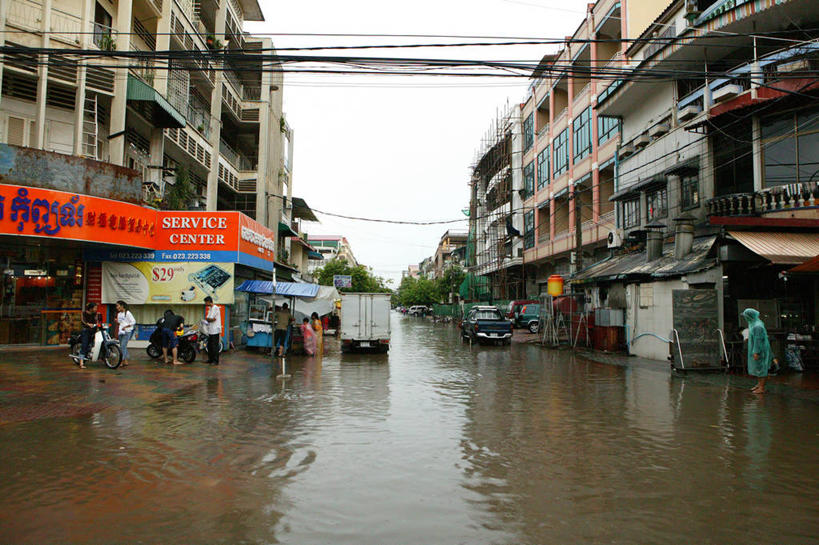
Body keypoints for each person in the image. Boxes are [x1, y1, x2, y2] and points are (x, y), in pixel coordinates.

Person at [742, 308, 772, 394]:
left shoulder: (757, 326)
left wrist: (756, 351)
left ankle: (761, 387)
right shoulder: (754, 324)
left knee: (761, 368)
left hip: (760, 350)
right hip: (758, 348)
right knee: (758, 368)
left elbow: (758, 340)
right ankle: (759, 384)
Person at [115, 300, 135, 368]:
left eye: (118, 305)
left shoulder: (128, 313)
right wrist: (117, 321)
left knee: (123, 346)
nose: (117, 307)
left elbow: (133, 322)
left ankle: (121, 361)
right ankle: (125, 360)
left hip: (127, 331)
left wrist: (126, 327)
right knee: (122, 346)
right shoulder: (119, 314)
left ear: (122, 306)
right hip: (121, 331)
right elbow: (120, 322)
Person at [79, 302, 98, 368]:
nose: (96, 309)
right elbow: (83, 320)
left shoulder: (95, 314)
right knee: (84, 345)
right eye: (95, 308)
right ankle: (81, 362)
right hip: (86, 330)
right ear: (91, 308)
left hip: (93, 330)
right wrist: (88, 324)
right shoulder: (84, 313)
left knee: (92, 344)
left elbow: (97, 321)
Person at [203, 296, 221, 365]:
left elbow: (211, 319)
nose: (205, 303)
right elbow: (208, 318)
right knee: (210, 345)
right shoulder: (210, 309)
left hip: (215, 330)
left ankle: (215, 360)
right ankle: (210, 359)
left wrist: (209, 319)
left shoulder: (215, 308)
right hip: (210, 329)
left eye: (206, 302)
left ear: (208, 301)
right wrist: (209, 319)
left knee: (214, 346)